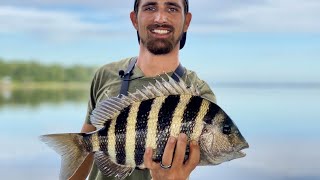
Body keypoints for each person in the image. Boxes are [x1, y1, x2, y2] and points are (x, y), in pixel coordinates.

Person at [71, 0, 216, 179]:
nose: (160, 17)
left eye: (172, 8)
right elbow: (82, 148)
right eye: (150, 7)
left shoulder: (199, 95)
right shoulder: (105, 75)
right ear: (134, 20)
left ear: (186, 21)